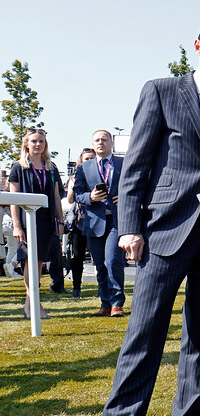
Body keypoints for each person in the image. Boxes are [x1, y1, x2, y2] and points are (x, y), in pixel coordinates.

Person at [86, 13, 200, 416]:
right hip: (163, 231)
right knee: (144, 335)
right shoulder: (160, 90)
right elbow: (135, 165)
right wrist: (130, 227)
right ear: (198, 46)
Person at [8, 128, 64, 319]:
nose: (38, 144)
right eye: (34, 141)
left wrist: (60, 221)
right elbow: (13, 198)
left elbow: (56, 197)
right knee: (28, 261)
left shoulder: (51, 167)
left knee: (39, 262)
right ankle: (33, 304)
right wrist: (16, 225)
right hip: (26, 219)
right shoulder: (18, 167)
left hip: (46, 220)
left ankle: (30, 304)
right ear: (27, 144)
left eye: (41, 141)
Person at [74, 130, 126, 316]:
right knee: (100, 265)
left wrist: (126, 197)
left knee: (113, 261)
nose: (100, 143)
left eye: (104, 139)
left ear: (112, 143)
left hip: (117, 221)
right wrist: (91, 196)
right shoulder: (84, 167)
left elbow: (136, 185)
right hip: (94, 222)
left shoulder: (123, 163)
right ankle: (105, 303)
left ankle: (117, 303)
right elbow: (77, 194)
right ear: (93, 143)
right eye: (97, 140)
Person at [66, 147, 96, 298]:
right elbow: (70, 199)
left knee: (99, 256)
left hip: (97, 220)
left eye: (92, 158)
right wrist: (73, 185)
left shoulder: (100, 175)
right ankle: (76, 287)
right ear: (81, 161)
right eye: (86, 159)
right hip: (79, 221)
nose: (89, 161)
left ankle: (103, 288)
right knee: (77, 256)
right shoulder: (76, 177)